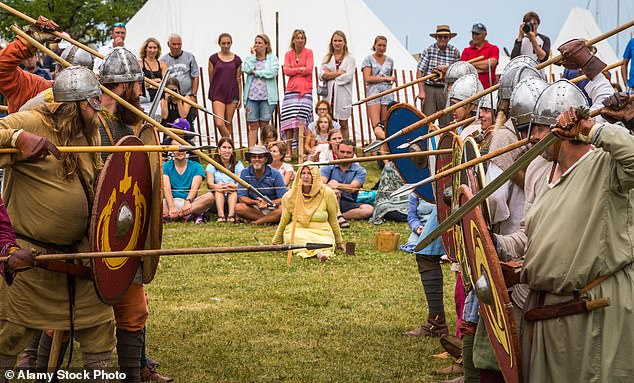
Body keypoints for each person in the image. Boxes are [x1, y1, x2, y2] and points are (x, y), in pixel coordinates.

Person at [0, 66, 116, 380]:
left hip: (79, 257)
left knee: (100, 329)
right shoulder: (31, 121)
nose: (98, 110)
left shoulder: (90, 133)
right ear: (76, 106)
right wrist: (16, 138)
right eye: (92, 103)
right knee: (8, 335)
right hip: (30, 261)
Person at [272, 166, 345, 262]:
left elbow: (333, 219)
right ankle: (319, 253)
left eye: (309, 173)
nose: (306, 177)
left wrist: (339, 241)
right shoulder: (289, 196)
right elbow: (284, 220)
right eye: (303, 173)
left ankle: (320, 252)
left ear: (315, 176)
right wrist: (276, 241)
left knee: (325, 243)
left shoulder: (327, 193)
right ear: (299, 176)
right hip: (298, 231)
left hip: (322, 232)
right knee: (298, 239)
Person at [320, 139, 374, 227]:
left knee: (368, 210)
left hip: (348, 202)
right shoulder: (328, 167)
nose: (345, 155)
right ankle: (338, 217)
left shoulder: (360, 170)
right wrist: (331, 188)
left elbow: (353, 188)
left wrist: (338, 185)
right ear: (337, 152)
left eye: (348, 153)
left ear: (353, 154)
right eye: (342, 152)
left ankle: (338, 216)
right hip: (328, 201)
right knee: (335, 192)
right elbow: (321, 184)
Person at [416, 25, 461, 127]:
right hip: (429, 87)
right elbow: (420, 72)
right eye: (440, 37)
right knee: (426, 120)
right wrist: (421, 91)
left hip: (446, 88)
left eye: (445, 37)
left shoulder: (455, 52)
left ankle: (446, 142)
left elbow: (458, 72)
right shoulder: (429, 50)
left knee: (448, 121)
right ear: (436, 38)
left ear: (449, 38)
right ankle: (425, 142)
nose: (443, 39)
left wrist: (447, 69)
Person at [243, 34, 279, 148]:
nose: (257, 45)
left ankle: (264, 150)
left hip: (267, 97)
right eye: (256, 42)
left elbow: (272, 73)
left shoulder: (272, 58)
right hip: (251, 97)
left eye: (260, 43)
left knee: (264, 125)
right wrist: (253, 57)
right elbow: (246, 69)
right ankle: (251, 150)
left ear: (266, 45)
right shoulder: (250, 58)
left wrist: (257, 72)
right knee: (253, 125)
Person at [162, 139, 211, 222]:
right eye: (176, 148)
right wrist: (172, 207)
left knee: (210, 196)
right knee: (156, 200)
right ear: (171, 150)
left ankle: (177, 215)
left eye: (182, 148)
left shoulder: (196, 167)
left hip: (190, 204)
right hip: (170, 202)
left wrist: (187, 202)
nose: (180, 151)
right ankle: (188, 215)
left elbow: (194, 188)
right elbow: (166, 188)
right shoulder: (165, 166)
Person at [235, 145, 286, 224]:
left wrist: (268, 204)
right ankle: (270, 220)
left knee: (282, 209)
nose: (257, 159)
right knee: (238, 207)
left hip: (272, 207)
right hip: (254, 208)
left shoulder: (275, 174)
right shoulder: (245, 173)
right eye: (254, 157)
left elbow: (283, 198)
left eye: (260, 157)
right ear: (250, 160)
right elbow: (242, 198)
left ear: (266, 159)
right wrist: (255, 202)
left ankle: (256, 222)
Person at [281, 29, 314, 150]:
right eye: (298, 38)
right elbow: (286, 71)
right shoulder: (288, 54)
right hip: (291, 90)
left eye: (302, 38)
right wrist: (300, 69)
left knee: (302, 119)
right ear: (293, 40)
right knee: (289, 120)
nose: (300, 40)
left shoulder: (309, 52)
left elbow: (309, 69)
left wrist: (294, 69)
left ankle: (302, 149)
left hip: (305, 90)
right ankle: (289, 150)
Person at [319, 30, 355, 139]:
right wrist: (338, 73)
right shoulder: (327, 58)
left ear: (344, 42)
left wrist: (331, 75)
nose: (337, 43)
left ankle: (345, 146)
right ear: (332, 42)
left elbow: (348, 77)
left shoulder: (350, 59)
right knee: (330, 123)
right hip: (329, 95)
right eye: (335, 40)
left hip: (343, 95)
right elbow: (322, 75)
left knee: (343, 123)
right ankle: (331, 147)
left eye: (340, 40)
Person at [208, 33, 242, 138]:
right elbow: (211, 77)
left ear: (231, 43)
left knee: (228, 122)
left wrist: (240, 97)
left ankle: (225, 149)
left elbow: (238, 79)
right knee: (219, 123)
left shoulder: (237, 60)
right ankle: (229, 145)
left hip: (232, 92)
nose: (226, 45)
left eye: (228, 43)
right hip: (218, 93)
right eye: (223, 43)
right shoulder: (213, 59)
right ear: (219, 44)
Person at [362, 36, 396, 137]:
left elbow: (390, 75)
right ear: (374, 45)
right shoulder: (368, 59)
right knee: (376, 124)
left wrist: (389, 79)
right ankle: (379, 145)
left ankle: (384, 148)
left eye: (384, 45)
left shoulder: (390, 60)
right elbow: (367, 78)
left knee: (385, 123)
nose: (381, 47)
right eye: (379, 45)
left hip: (387, 93)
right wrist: (385, 79)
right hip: (374, 93)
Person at [206, 137, 244, 223]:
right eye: (224, 147)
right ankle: (221, 216)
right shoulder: (212, 165)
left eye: (229, 148)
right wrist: (220, 187)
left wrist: (231, 186)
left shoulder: (238, 165)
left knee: (233, 189)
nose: (227, 150)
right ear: (219, 150)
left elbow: (241, 183)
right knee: (219, 188)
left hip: (234, 197)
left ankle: (231, 216)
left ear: (233, 150)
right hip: (217, 198)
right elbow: (209, 184)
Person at [160, 34, 200, 104]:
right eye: (174, 44)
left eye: (179, 44)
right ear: (168, 44)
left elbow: (195, 76)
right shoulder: (163, 60)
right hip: (171, 97)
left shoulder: (189, 57)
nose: (177, 47)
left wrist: (193, 95)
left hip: (187, 96)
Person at [461, 23, 499, 89]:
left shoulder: (493, 48)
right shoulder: (466, 50)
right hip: (469, 89)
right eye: (473, 33)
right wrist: (486, 68)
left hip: (487, 89)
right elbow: (463, 69)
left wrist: (470, 64)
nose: (474, 36)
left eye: (477, 34)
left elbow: (492, 63)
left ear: (485, 34)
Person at [138, 37, 167, 105]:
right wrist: (156, 82)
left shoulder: (162, 65)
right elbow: (138, 84)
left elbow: (165, 83)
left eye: (155, 48)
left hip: (160, 100)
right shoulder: (140, 64)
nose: (152, 50)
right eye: (150, 47)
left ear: (158, 49)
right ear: (145, 49)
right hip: (144, 100)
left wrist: (148, 84)